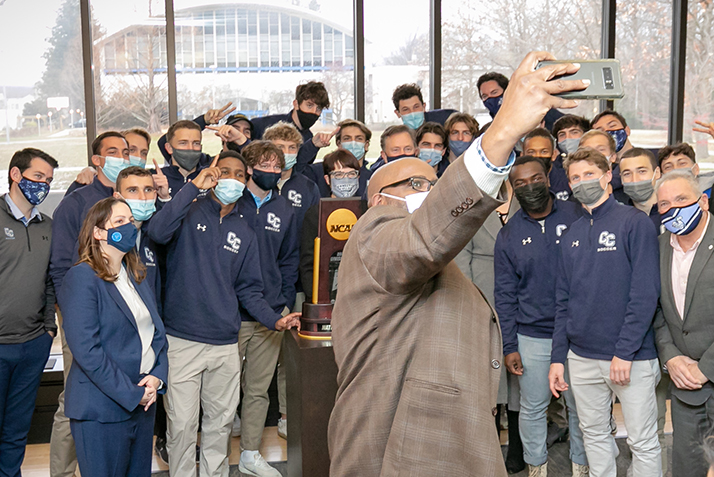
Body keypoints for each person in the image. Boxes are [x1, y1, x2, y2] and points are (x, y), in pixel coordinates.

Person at [327, 51, 589, 477]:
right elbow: (422, 240)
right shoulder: (375, 233)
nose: (429, 191)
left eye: (434, 184)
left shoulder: (428, 246)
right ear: (377, 198)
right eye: (416, 184)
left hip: (443, 443)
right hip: (395, 449)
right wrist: (503, 130)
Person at [147, 151, 300, 477]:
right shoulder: (188, 210)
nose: (230, 179)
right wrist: (192, 187)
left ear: (246, 181)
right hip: (182, 339)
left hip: (225, 343)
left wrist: (274, 319)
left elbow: (249, 288)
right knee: (183, 425)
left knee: (219, 425)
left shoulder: (245, 228)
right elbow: (157, 232)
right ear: (212, 175)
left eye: (238, 174)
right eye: (223, 172)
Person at [549, 147, 662, 477]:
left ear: (607, 175)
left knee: (642, 441)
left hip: (630, 357)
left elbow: (644, 294)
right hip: (581, 357)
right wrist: (558, 358)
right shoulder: (571, 234)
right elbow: (563, 302)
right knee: (594, 435)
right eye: (574, 177)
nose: (582, 182)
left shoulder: (634, 223)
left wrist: (624, 352)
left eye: (588, 174)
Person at [58, 197, 168, 477]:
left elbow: (156, 335)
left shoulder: (134, 275)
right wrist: (134, 394)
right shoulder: (82, 278)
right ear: (98, 232)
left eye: (130, 221)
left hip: (143, 402)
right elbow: (87, 352)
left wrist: (157, 377)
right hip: (102, 409)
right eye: (119, 222)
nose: (128, 227)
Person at [493, 155, 587, 477]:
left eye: (534, 178)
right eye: (519, 183)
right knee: (532, 409)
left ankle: (581, 467)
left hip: (578, 334)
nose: (529, 186)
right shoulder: (508, 236)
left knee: (580, 409)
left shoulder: (577, 215)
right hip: (532, 336)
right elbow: (504, 296)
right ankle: (537, 468)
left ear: (548, 178)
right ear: (512, 188)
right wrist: (509, 346)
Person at [49, 131, 134, 477]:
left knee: (117, 391)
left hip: (123, 318)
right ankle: (64, 472)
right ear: (97, 159)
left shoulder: (130, 203)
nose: (120, 157)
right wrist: (71, 316)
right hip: (83, 317)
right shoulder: (77, 202)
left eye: (125, 152)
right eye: (112, 152)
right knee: (75, 402)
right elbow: (59, 266)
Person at [234, 141, 300, 476]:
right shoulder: (230, 203)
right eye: (265, 165)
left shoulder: (284, 208)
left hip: (272, 314)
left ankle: (249, 454)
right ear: (249, 167)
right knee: (225, 389)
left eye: (277, 167)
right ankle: (215, 456)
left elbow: (289, 260)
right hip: (232, 315)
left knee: (258, 390)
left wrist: (284, 299)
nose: (272, 172)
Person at [0, 148, 58, 477]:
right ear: (16, 175)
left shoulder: (46, 226)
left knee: (17, 429)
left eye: (48, 180)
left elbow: (49, 282)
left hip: (32, 344)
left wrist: (48, 329)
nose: (44, 185)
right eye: (38, 177)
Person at [653, 170, 714, 477]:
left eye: (681, 199)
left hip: (707, 370)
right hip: (684, 384)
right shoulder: (659, 246)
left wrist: (706, 368)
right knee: (688, 468)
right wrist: (671, 356)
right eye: (664, 204)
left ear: (703, 201)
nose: (672, 208)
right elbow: (657, 310)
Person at [262, 121, 320, 440]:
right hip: (260, 287)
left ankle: (286, 413)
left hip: (297, 285)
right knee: (254, 358)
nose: (286, 154)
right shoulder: (256, 186)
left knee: (290, 357)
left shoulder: (306, 185)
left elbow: (313, 235)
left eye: (292, 148)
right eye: (280, 147)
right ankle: (242, 415)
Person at [299, 149, 365, 303]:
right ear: (327, 180)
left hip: (360, 296)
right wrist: (316, 298)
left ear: (358, 177)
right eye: (338, 175)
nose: (345, 179)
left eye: (351, 174)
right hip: (323, 296)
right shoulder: (316, 214)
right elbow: (307, 262)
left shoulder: (366, 211)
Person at [251, 81, 336, 174]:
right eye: (309, 105)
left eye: (319, 109)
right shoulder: (264, 124)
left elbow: (298, 170)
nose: (313, 111)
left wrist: (312, 146)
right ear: (296, 104)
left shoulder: (310, 140)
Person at [65, 127, 157, 195]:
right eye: (131, 150)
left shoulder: (152, 183)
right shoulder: (86, 185)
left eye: (144, 153)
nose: (138, 157)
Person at [478, 71, 563, 131]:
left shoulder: (539, 111)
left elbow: (566, 124)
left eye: (494, 92)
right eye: (485, 96)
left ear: (507, 91)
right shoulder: (491, 130)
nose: (490, 99)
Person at [578, 129, 628, 204]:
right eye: (588, 151)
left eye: (601, 150)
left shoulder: (627, 193)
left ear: (613, 157)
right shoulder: (575, 200)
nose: (595, 154)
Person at [620, 148, 662, 230]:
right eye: (627, 174)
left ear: (657, 173)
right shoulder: (619, 217)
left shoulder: (671, 212)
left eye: (642, 171)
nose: (635, 179)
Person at [550, 115, 591, 200]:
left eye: (574, 132)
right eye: (562, 135)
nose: (568, 138)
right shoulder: (553, 169)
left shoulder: (598, 162)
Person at [332, 118, 374, 198]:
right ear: (339, 144)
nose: (353, 143)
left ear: (366, 145)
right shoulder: (323, 172)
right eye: (347, 138)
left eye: (359, 138)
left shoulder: (373, 178)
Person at [391, 83, 457, 128]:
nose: (412, 113)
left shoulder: (442, 119)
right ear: (397, 113)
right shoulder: (399, 138)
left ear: (424, 107)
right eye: (406, 109)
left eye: (416, 107)